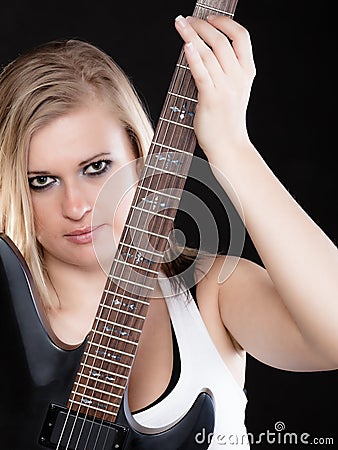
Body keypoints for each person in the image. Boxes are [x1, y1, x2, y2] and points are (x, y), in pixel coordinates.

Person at [0, 13, 337, 449]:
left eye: (96, 168)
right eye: (41, 181)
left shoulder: (211, 293)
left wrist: (231, 146)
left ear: (143, 157)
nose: (77, 206)